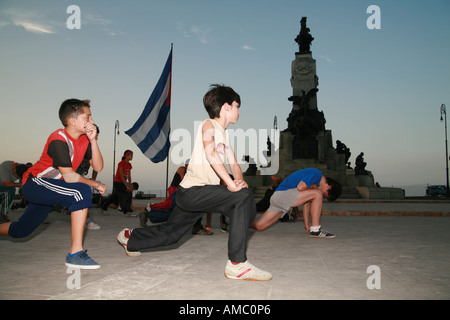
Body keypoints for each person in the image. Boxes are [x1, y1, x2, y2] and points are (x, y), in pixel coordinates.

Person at [117, 84, 272, 281]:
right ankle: (237, 264)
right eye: (236, 106)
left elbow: (233, 164)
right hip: (192, 192)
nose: (239, 111)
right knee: (243, 198)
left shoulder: (225, 135)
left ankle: (130, 238)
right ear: (225, 107)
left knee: (171, 234)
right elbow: (211, 153)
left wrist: (239, 181)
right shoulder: (208, 125)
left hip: (199, 194)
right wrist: (231, 185)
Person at [0, 99, 106, 269]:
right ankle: (75, 253)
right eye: (87, 117)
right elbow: (70, 177)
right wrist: (94, 184)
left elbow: (98, 166)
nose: (91, 121)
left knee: (21, 230)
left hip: (50, 187)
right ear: (72, 121)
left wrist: (94, 141)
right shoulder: (58, 138)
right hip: (35, 183)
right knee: (80, 191)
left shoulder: (85, 140)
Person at [252, 168, 342, 238]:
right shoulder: (317, 174)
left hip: (278, 199)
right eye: (325, 194)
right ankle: (316, 230)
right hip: (282, 195)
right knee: (317, 193)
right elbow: (300, 187)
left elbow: (306, 203)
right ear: (328, 187)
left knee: (259, 226)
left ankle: (242, 223)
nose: (323, 194)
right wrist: (315, 188)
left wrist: (306, 224)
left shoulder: (314, 184)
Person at [101, 150, 135, 216]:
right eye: (131, 155)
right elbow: (121, 175)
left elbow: (129, 176)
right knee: (127, 194)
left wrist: (130, 185)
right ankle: (127, 211)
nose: (132, 156)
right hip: (118, 182)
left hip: (123, 182)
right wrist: (126, 185)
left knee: (114, 196)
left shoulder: (129, 165)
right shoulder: (121, 163)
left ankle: (103, 206)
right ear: (126, 156)